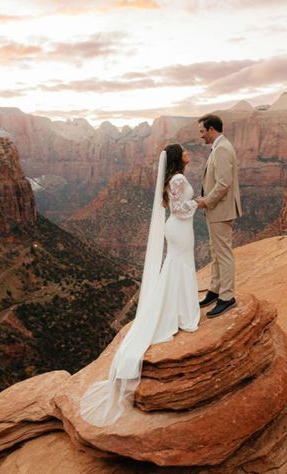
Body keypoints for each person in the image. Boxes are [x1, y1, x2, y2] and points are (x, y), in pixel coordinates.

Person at [80, 144, 200, 427]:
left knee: (176, 268)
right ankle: (183, 314)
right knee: (179, 267)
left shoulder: (173, 178)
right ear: (176, 158)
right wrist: (200, 203)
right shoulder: (178, 179)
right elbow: (182, 210)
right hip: (181, 229)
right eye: (183, 151)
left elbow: (174, 208)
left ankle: (180, 311)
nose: (187, 152)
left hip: (177, 229)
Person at [196, 114, 242, 318]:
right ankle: (214, 290)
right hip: (216, 209)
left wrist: (207, 201)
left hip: (220, 210)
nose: (201, 136)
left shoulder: (223, 149)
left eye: (202, 131)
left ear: (212, 129)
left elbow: (224, 183)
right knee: (216, 251)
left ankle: (227, 296)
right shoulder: (218, 147)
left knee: (223, 253)